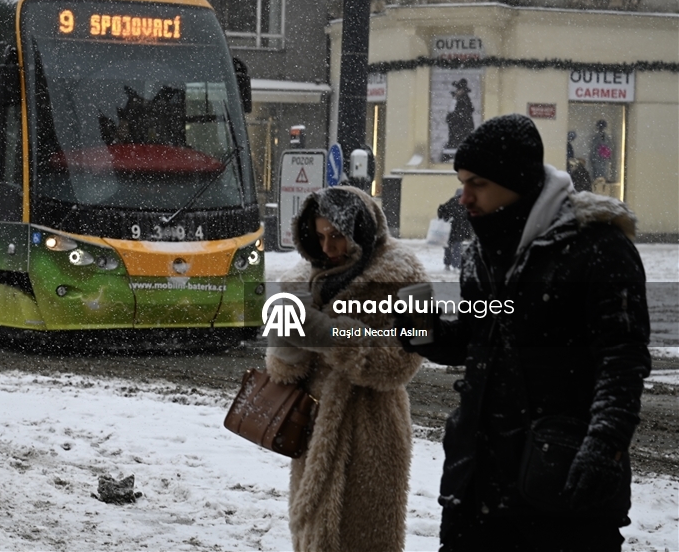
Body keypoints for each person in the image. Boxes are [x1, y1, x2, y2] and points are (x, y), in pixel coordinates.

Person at [400, 114, 650, 552]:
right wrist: (421, 328)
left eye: (477, 183)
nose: (464, 197)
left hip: (561, 483)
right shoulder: (484, 247)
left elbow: (622, 359)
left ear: (515, 180)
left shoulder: (598, 247)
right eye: (462, 182)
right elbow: (479, 335)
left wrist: (604, 444)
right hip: (477, 483)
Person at [266, 186, 428, 552]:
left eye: (337, 236)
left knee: (365, 536)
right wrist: (286, 343)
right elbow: (282, 372)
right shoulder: (301, 278)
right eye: (319, 236)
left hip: (372, 430)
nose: (327, 248)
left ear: (361, 230)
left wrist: (329, 334)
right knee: (313, 536)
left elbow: (404, 360)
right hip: (310, 427)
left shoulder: (406, 274)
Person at [437, 188, 470, 270]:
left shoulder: (451, 202)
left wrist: (445, 218)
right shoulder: (464, 204)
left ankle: (448, 264)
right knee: (456, 248)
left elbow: (442, 210)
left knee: (449, 248)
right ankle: (455, 265)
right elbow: (467, 219)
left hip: (450, 230)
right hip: (458, 230)